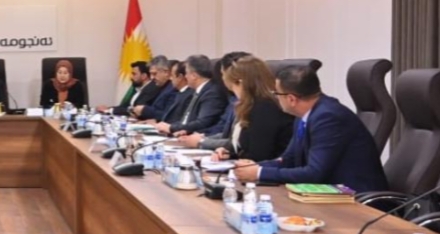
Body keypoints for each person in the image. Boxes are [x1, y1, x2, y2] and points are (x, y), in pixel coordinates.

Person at [234, 65, 387, 191]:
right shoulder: (304, 114)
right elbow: (289, 159)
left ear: (291, 99)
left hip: (355, 198)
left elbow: (314, 173)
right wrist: (255, 166)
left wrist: (259, 173)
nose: (275, 98)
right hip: (326, 192)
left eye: (277, 93)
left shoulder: (328, 117)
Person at [201, 57, 294, 162]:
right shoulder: (252, 106)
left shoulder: (265, 109)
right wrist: (229, 153)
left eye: (233, 87)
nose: (234, 92)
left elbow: (259, 155)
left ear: (241, 84)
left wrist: (235, 160)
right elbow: (247, 148)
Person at [156, 55, 228, 135]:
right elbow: (187, 120)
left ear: (194, 76)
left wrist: (171, 128)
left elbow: (203, 122)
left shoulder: (212, 93)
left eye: (186, 73)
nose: (185, 77)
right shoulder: (199, 91)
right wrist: (170, 127)